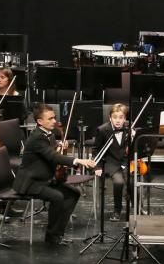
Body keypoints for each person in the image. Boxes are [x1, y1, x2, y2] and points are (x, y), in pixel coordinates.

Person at [14, 104, 96, 246]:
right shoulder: (37, 138)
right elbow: (52, 157)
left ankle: (58, 233)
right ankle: (51, 236)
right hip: (31, 182)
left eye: (54, 117)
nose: (54, 121)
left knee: (73, 193)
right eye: (50, 118)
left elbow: (50, 152)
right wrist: (79, 160)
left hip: (44, 179)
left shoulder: (48, 134)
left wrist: (58, 145)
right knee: (57, 197)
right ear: (40, 121)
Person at [93, 103, 132, 221]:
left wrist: (134, 137)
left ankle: (137, 208)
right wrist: (97, 167)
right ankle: (117, 210)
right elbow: (96, 150)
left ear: (125, 118)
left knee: (133, 181)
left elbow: (131, 148)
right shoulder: (102, 130)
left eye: (121, 117)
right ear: (110, 117)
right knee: (119, 182)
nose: (118, 120)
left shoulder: (129, 129)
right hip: (110, 163)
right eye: (115, 117)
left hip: (125, 162)